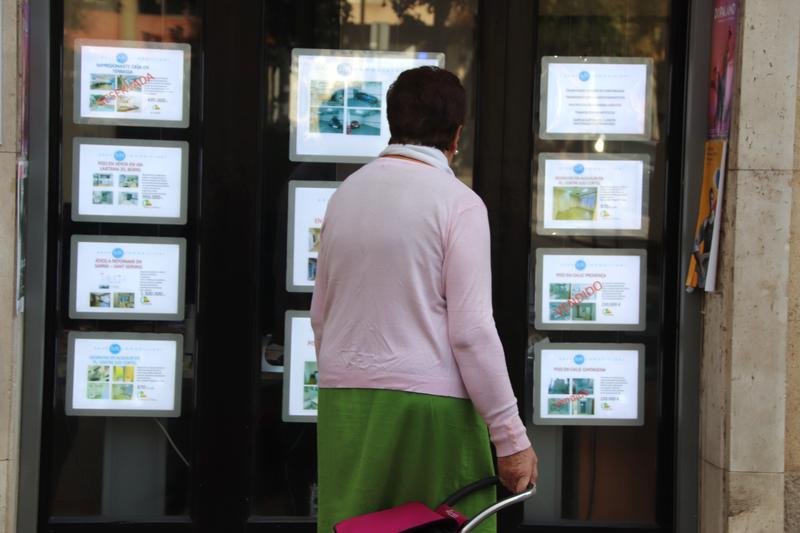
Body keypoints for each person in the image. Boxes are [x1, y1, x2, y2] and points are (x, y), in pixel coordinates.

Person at [311, 66, 537, 532]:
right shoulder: (458, 203)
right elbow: (472, 332)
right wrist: (511, 438)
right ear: (456, 135)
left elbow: (321, 314)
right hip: (432, 410)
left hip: (345, 402)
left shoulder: (345, 196)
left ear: (393, 123)